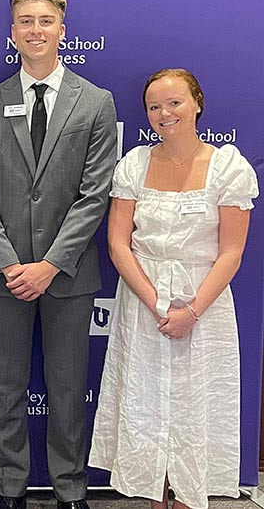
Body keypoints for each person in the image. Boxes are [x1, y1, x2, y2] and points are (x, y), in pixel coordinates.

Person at [0, 0, 117, 509]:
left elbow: (95, 194)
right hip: (2, 276)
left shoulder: (96, 102)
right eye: (25, 21)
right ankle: (9, 489)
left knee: (67, 390)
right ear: (12, 33)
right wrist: (11, 264)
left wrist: (50, 264)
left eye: (45, 21)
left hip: (68, 276)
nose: (35, 30)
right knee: (5, 390)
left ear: (62, 30)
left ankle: (69, 489)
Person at [90, 68, 254, 509]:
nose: (164, 113)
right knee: (145, 402)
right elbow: (117, 243)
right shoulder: (134, 164)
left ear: (197, 102)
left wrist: (191, 311)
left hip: (205, 304)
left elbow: (231, 252)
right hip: (142, 304)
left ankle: (186, 498)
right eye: (154, 106)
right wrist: (157, 302)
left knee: (193, 406)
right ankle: (155, 499)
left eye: (174, 103)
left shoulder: (229, 167)